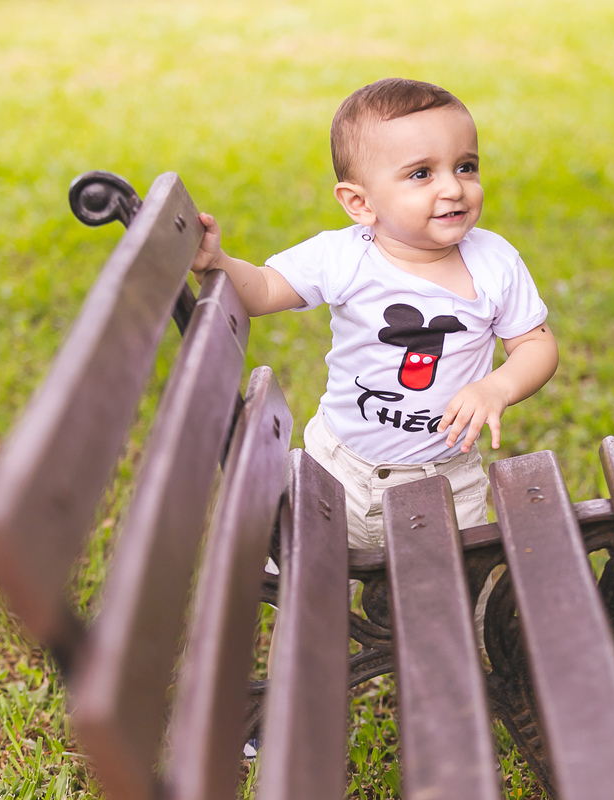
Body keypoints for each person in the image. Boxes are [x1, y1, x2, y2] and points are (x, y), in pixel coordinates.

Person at [191, 78, 558, 548]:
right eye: (422, 174)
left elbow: (535, 343)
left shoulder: (494, 261)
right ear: (360, 203)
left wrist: (497, 386)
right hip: (337, 468)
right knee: (310, 596)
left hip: (445, 480)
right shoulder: (343, 256)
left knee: (452, 599)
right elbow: (262, 289)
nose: (453, 187)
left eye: (465, 167)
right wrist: (218, 264)